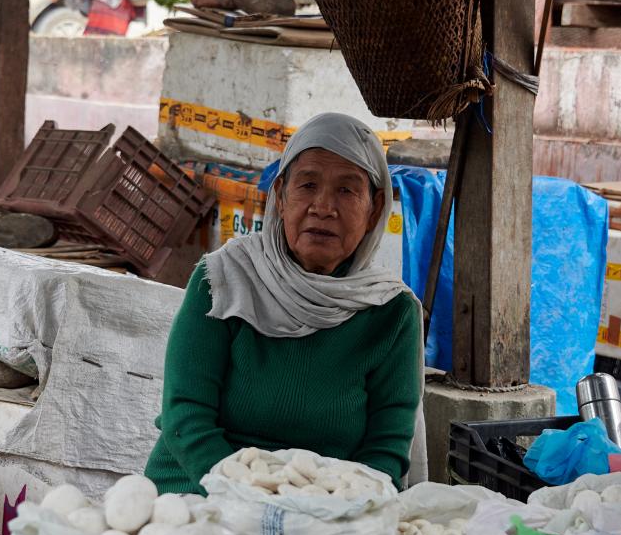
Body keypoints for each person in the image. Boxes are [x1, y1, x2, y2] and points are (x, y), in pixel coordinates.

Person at [145, 113, 427, 494]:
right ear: (281, 194)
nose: (323, 207)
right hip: (199, 489)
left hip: (322, 507)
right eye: (308, 185)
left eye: (347, 190)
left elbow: (386, 448)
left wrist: (333, 506)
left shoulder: (391, 312)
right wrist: (246, 494)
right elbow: (186, 414)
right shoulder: (224, 280)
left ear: (375, 208)